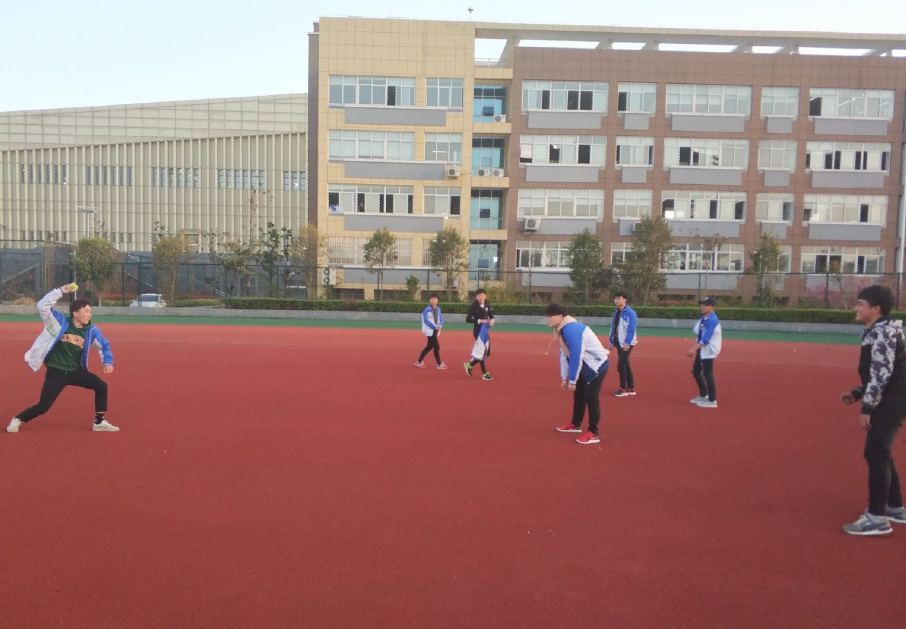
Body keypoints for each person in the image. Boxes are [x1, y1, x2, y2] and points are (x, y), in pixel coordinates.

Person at [839, 285, 906, 536]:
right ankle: (893, 507)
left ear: (876, 308)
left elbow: (881, 374)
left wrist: (866, 408)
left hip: (893, 400)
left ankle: (876, 517)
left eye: (860, 303)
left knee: (876, 452)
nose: (856, 308)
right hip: (891, 397)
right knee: (881, 451)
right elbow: (877, 373)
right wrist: (858, 393)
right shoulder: (877, 331)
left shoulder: (883, 332)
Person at [7, 284, 118, 433]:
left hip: (75, 372)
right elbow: (42, 306)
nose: (89, 315)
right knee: (43, 406)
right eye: (86, 311)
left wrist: (107, 362)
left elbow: (103, 346)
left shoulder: (91, 330)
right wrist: (60, 291)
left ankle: (99, 422)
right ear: (75, 313)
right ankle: (18, 419)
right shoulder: (58, 321)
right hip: (56, 372)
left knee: (101, 386)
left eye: (90, 312)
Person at [547, 303, 609, 445]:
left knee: (591, 397)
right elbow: (564, 355)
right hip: (585, 365)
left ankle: (593, 433)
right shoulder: (562, 329)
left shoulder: (572, 330)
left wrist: (573, 380)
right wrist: (565, 377)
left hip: (596, 366)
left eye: (550, 316)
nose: (548, 319)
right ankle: (575, 424)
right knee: (579, 394)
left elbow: (576, 355)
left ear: (560, 316)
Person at [686, 297, 721, 408]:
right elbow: (700, 334)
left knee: (707, 373)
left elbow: (706, 339)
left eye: (705, 305)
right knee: (696, 370)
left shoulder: (712, 320)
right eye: (702, 304)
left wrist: (693, 349)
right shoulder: (703, 318)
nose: (702, 307)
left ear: (712, 307)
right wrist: (696, 347)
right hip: (702, 348)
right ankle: (703, 394)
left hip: (709, 349)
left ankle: (712, 400)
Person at [609, 291, 638, 397]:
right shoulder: (616, 312)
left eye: (619, 298)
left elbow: (631, 329)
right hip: (618, 342)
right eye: (616, 298)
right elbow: (613, 327)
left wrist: (627, 343)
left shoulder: (630, 313)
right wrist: (611, 341)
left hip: (626, 343)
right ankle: (631, 388)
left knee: (621, 366)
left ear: (625, 299)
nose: (617, 300)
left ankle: (623, 389)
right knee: (625, 364)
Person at [464, 288, 494, 381]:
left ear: (485, 296)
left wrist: (492, 320)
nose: (480, 297)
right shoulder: (474, 306)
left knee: (487, 352)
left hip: (485, 331)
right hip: (478, 331)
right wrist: (479, 321)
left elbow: (490, 314)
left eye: (482, 295)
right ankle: (484, 373)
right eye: (478, 296)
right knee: (482, 351)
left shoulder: (487, 304)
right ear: (476, 297)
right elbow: (468, 318)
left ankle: (470, 364)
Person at [415, 293, 447, 370]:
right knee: (436, 346)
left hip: (435, 330)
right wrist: (435, 326)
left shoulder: (438, 309)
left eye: (435, 299)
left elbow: (441, 319)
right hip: (430, 331)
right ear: (429, 300)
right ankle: (439, 363)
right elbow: (426, 320)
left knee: (429, 346)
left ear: (437, 300)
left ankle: (419, 361)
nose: (433, 300)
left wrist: (440, 325)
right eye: (432, 299)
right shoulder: (427, 310)